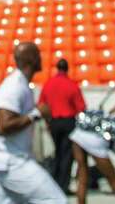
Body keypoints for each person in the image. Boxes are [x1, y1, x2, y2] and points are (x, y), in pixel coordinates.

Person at [0, 42, 66, 204]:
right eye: (37, 54)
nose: (40, 58)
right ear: (30, 59)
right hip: (13, 162)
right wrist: (36, 114)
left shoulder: (21, 83)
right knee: (56, 200)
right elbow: (3, 126)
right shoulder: (15, 86)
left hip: (6, 161)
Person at [39, 58, 86, 192]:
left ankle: (54, 183)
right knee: (66, 154)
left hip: (53, 122)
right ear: (67, 69)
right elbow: (81, 107)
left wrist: (48, 122)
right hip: (68, 122)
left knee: (57, 152)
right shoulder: (71, 85)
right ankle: (62, 185)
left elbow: (41, 104)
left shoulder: (48, 84)